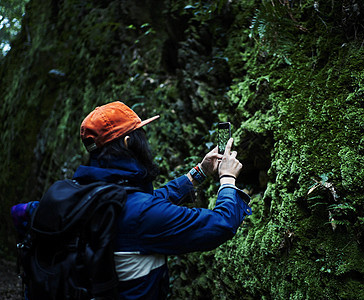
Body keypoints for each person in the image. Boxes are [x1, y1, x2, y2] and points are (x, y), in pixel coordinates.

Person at [12, 101, 252, 300]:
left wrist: (199, 172)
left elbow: (140, 203)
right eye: (141, 135)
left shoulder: (75, 197)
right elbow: (220, 224)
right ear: (128, 143)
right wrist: (228, 178)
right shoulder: (140, 213)